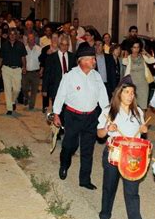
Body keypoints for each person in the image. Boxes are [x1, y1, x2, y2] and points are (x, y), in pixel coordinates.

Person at [53, 43, 109, 190]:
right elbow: (60, 95)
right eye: (92, 59)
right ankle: (64, 164)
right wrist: (56, 114)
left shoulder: (96, 77)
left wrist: (108, 115)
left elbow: (103, 98)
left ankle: (84, 180)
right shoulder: (70, 76)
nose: (94, 61)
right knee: (69, 146)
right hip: (73, 116)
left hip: (91, 117)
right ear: (83, 60)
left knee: (87, 149)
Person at [97, 76, 148, 219]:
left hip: (132, 156)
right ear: (119, 93)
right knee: (109, 187)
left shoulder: (138, 111)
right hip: (114, 153)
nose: (130, 95)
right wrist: (107, 128)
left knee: (132, 191)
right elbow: (99, 134)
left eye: (132, 92)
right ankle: (105, 215)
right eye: (126, 92)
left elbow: (140, 136)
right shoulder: (108, 110)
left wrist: (143, 131)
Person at [0, 29, 27, 115]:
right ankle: (9, 108)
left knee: (17, 89)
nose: (12, 36)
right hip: (6, 69)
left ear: (17, 35)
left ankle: (12, 101)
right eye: (11, 34)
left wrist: (24, 67)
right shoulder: (4, 45)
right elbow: (0, 58)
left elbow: (23, 57)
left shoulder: (21, 45)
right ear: (8, 35)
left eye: (14, 34)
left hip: (17, 69)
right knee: (7, 89)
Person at [43, 34, 76, 105]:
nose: (64, 47)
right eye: (62, 44)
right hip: (55, 87)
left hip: (69, 87)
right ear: (59, 44)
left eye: (66, 45)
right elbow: (46, 74)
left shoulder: (72, 57)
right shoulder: (51, 57)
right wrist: (45, 89)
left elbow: (75, 72)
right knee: (56, 109)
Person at [122, 41, 155, 111]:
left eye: (138, 47)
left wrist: (146, 53)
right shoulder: (129, 57)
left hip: (143, 85)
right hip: (132, 85)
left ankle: (142, 121)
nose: (136, 49)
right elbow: (124, 62)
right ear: (131, 48)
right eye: (134, 47)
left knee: (143, 106)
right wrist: (125, 54)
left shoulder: (143, 57)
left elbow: (152, 60)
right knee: (132, 106)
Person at [39, 32, 60, 112]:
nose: (55, 39)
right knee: (46, 89)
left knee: (56, 90)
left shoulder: (61, 49)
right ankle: (45, 106)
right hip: (47, 72)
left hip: (57, 73)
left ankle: (56, 106)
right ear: (51, 39)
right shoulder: (46, 48)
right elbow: (41, 60)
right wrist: (46, 55)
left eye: (56, 37)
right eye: (53, 38)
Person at [22, 34, 42, 110]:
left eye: (32, 39)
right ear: (27, 40)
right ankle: (26, 97)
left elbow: (42, 61)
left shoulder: (39, 49)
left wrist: (41, 70)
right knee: (24, 88)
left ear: (35, 40)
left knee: (34, 90)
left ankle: (31, 105)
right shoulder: (24, 48)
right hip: (25, 72)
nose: (31, 40)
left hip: (35, 72)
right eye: (29, 39)